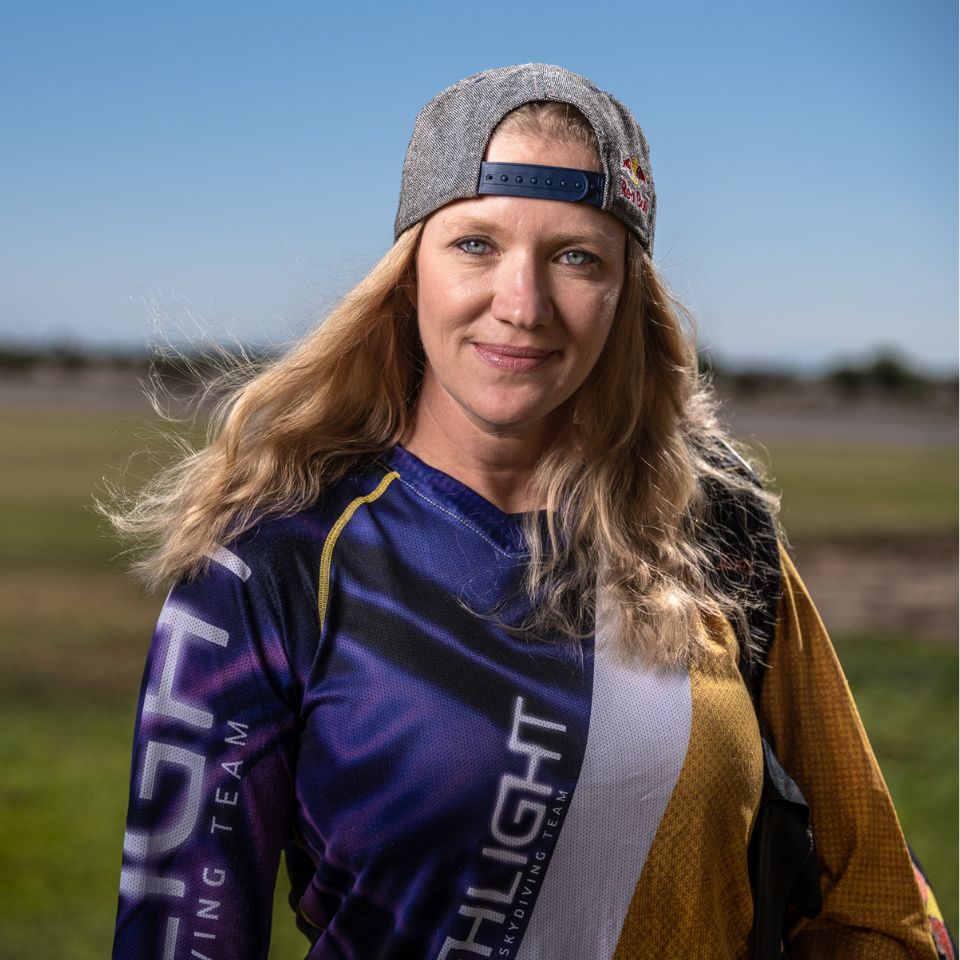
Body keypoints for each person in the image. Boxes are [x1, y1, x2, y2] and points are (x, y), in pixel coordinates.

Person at [110, 64, 943, 959]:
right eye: (475, 244)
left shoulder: (715, 527)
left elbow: (876, 899)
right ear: (407, 272)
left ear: (628, 292)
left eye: (577, 256)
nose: (522, 305)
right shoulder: (271, 568)